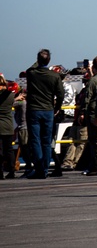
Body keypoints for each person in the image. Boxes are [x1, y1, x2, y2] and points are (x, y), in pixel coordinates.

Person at [24, 50, 65, 179]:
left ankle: (39, 168)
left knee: (35, 140)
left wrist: (39, 60)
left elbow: (30, 68)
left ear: (38, 59)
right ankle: (45, 169)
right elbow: (61, 94)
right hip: (48, 110)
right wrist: (57, 108)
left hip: (34, 110)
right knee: (46, 142)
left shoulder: (32, 73)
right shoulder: (54, 76)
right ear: (49, 61)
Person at [0, 77, 17, 179]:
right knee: (9, 150)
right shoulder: (11, 96)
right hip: (8, 125)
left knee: (0, 150)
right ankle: (12, 171)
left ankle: (0, 172)